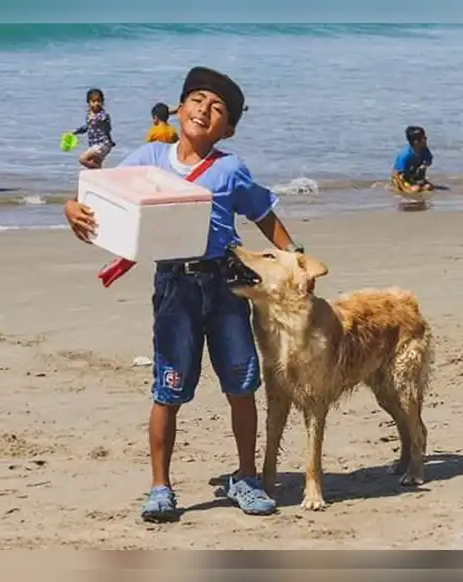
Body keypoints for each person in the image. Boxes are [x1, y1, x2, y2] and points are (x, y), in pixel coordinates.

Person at [63, 66, 303, 523]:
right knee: (168, 388)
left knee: (241, 384)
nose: (205, 110)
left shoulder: (231, 169)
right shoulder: (149, 157)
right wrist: (71, 208)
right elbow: (101, 195)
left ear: (228, 127)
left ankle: (246, 478)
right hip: (175, 288)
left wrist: (295, 257)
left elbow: (263, 215)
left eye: (217, 109)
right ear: (178, 109)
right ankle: (160, 486)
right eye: (197, 100)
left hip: (228, 285)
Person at [70, 88, 115, 169]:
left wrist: (98, 119)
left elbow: (107, 126)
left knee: (82, 159)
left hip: (102, 144)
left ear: (102, 102)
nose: (97, 103)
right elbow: (87, 127)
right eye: (94, 101)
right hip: (94, 144)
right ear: (89, 103)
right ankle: (99, 176)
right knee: (94, 163)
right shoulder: (89, 115)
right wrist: (76, 132)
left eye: (99, 101)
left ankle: (100, 171)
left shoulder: (103, 115)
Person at [391, 126, 434, 194]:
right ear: (416, 141)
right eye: (424, 138)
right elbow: (396, 174)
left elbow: (429, 160)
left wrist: (424, 166)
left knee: (429, 187)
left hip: (413, 175)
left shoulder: (424, 150)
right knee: (415, 190)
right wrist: (405, 189)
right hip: (400, 177)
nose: (426, 139)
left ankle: (416, 185)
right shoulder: (405, 154)